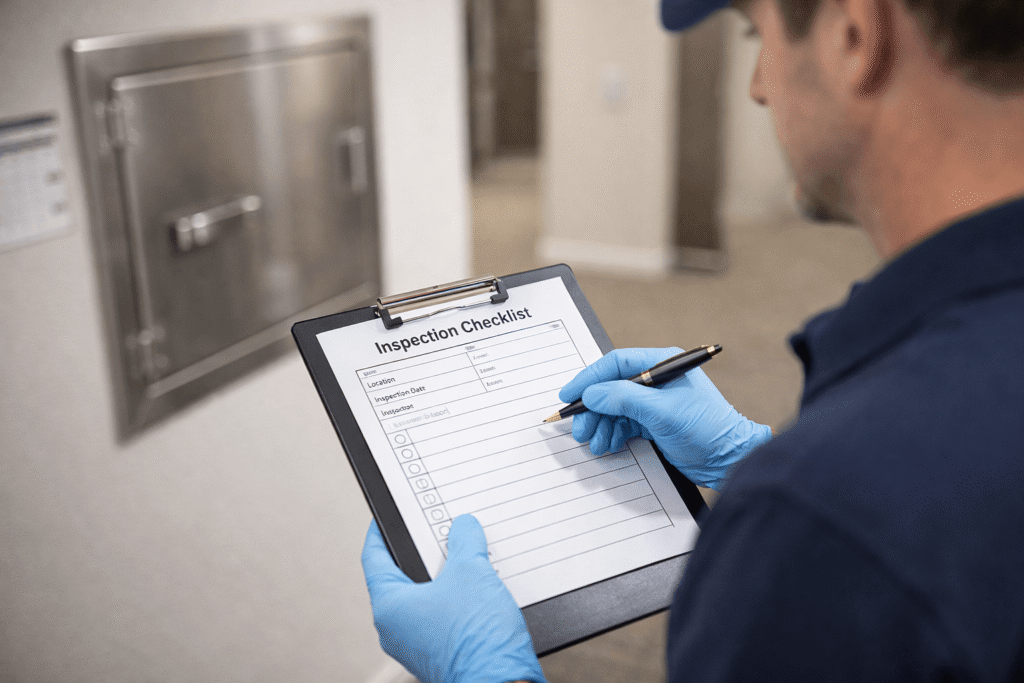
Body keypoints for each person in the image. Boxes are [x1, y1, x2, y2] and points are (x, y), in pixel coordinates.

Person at [360, 0, 1024, 679]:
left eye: (754, 34)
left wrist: (487, 674)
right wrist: (747, 460)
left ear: (856, 34)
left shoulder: (823, 528)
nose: (758, 86)